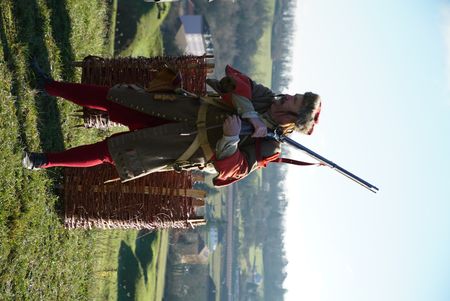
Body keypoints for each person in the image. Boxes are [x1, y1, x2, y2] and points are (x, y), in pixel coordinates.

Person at [23, 63, 321, 186]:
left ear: (292, 120)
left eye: (294, 101)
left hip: (182, 146)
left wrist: (231, 138)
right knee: (112, 98)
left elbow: (232, 169)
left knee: (110, 152)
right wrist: (251, 115)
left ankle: (42, 161)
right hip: (180, 106)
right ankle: (47, 86)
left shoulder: (269, 145)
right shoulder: (266, 98)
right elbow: (232, 79)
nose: (289, 95)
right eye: (295, 95)